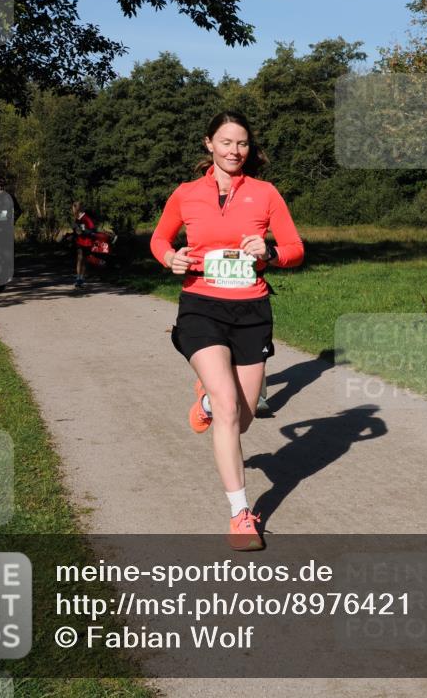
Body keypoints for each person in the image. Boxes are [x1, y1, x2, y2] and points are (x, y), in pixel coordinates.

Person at [150, 112, 304, 549]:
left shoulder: (265, 193)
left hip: (251, 309)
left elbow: (295, 249)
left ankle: (206, 403)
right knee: (227, 404)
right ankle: (240, 514)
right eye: (226, 142)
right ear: (209, 144)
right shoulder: (186, 194)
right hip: (200, 306)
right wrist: (170, 259)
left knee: (243, 417)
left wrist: (271, 252)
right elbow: (160, 239)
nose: (234, 150)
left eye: (242, 144)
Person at [71, 201, 96, 289]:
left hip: (86, 242)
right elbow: (75, 230)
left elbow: (92, 229)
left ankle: (81, 278)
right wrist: (75, 232)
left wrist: (84, 232)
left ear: (78, 208)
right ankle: (78, 278)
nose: (73, 210)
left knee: (84, 260)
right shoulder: (76, 218)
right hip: (79, 242)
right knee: (80, 259)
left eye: (74, 208)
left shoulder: (86, 218)